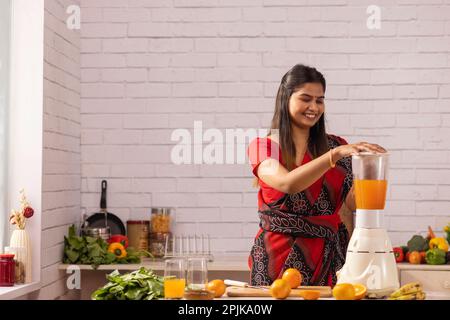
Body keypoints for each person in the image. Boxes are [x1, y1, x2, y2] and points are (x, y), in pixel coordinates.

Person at [247, 64, 386, 286]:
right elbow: (287, 183)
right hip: (278, 257)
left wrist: (370, 172)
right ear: (286, 98)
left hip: (330, 256)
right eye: (306, 98)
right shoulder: (264, 146)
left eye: (319, 100)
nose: (314, 106)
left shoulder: (336, 145)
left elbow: (348, 207)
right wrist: (334, 156)